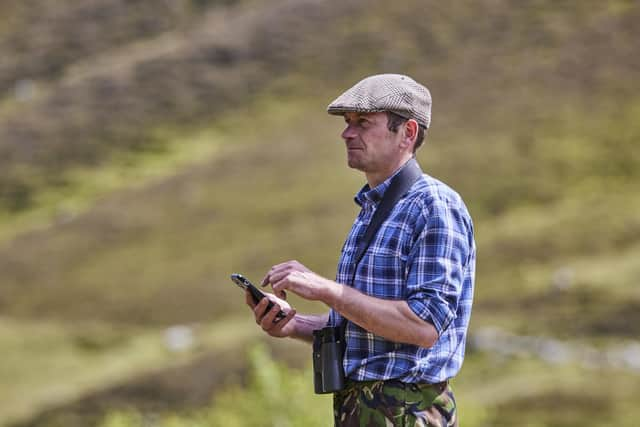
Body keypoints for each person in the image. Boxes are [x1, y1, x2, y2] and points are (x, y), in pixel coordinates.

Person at [246, 74, 475, 427]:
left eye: (363, 123)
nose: (347, 133)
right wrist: (295, 324)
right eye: (347, 123)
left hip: (407, 413)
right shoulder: (372, 210)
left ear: (408, 133)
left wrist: (327, 290)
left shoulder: (434, 206)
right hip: (365, 411)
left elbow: (424, 326)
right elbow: (365, 328)